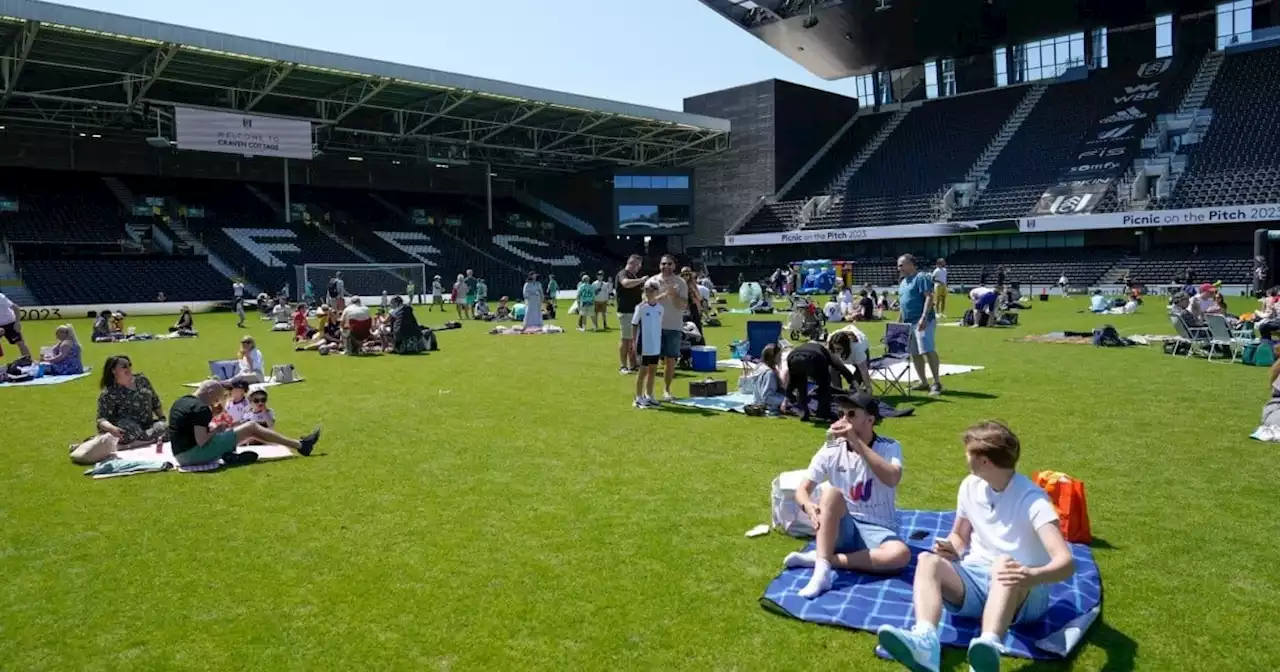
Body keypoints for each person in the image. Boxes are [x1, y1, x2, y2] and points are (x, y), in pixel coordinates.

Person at [877, 421, 1075, 672]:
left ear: (984, 461)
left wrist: (1032, 575)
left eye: (969, 452)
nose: (964, 457)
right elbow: (960, 536)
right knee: (928, 561)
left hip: (1024, 593)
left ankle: (988, 647)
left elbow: (1066, 563)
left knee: (1004, 563)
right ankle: (925, 643)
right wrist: (952, 548)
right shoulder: (970, 486)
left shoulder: (1033, 501)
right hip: (977, 580)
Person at [785, 392, 910, 598]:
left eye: (851, 414)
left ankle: (823, 559)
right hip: (842, 526)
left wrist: (855, 441)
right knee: (832, 492)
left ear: (870, 420)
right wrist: (808, 506)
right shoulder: (831, 448)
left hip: (878, 527)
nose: (843, 420)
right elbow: (802, 490)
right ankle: (821, 573)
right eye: (841, 414)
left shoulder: (889, 446)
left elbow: (892, 478)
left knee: (900, 555)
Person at [167, 381, 321, 467]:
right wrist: (216, 429)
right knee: (252, 427)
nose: (216, 403)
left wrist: (213, 427)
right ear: (209, 393)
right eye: (216, 399)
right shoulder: (200, 409)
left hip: (180, 453)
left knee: (233, 433)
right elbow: (201, 441)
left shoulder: (181, 401)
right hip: (193, 455)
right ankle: (301, 446)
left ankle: (230, 455)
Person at [93, 355, 167, 446]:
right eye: (124, 366)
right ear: (113, 370)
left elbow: (155, 401)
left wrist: (162, 418)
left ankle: (138, 442)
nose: (128, 368)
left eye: (129, 365)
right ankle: (147, 440)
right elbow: (101, 419)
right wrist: (112, 429)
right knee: (128, 431)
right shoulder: (109, 393)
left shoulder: (142, 380)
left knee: (164, 428)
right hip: (127, 428)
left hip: (147, 425)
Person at [897, 254, 943, 396]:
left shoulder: (921, 277)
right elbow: (903, 304)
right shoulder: (903, 282)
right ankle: (923, 382)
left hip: (923, 321)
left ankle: (936, 382)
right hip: (908, 322)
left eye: (901, 265)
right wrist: (899, 323)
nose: (899, 268)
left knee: (927, 350)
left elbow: (929, 297)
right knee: (915, 353)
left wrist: (923, 318)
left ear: (911, 264)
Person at [784, 340, 858, 422]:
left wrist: (789, 392)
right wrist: (852, 380)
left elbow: (792, 378)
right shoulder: (825, 351)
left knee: (800, 385)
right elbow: (839, 366)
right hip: (815, 357)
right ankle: (822, 413)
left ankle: (803, 410)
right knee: (824, 385)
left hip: (793, 357)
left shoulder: (803, 346)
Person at [656, 254, 688, 401]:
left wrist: (674, 295)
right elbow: (645, 301)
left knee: (670, 360)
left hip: (674, 326)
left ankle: (667, 389)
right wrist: (664, 294)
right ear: (660, 265)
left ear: (674, 266)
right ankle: (647, 391)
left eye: (669, 264)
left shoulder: (681, 283)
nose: (666, 267)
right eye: (664, 264)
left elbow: (683, 305)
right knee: (650, 361)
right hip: (654, 326)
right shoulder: (653, 281)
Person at [631, 279, 665, 408]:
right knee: (642, 372)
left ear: (657, 291)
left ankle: (649, 395)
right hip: (644, 345)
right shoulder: (641, 308)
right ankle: (638, 397)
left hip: (655, 345)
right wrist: (634, 342)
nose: (648, 293)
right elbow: (634, 325)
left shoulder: (660, 308)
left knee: (653, 371)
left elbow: (659, 325)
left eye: (651, 290)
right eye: (646, 290)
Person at [616, 255, 648, 374]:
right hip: (626, 312)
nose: (639, 268)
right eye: (638, 265)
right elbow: (625, 283)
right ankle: (623, 366)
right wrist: (641, 280)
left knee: (633, 340)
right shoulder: (623, 273)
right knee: (626, 339)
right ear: (632, 263)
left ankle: (633, 364)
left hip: (634, 312)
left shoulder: (633, 275)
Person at [829, 327, 873, 394]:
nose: (835, 351)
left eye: (838, 349)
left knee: (859, 373)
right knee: (833, 368)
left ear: (846, 347)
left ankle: (852, 393)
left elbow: (863, 370)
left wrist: (868, 387)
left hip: (860, 345)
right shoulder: (830, 341)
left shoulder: (857, 349)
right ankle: (837, 394)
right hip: (846, 334)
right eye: (834, 348)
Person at [0, 292, 32, 361]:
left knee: (20, 343)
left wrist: (17, 323)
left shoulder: (1, 297)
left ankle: (29, 363)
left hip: (10, 323)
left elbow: (16, 308)